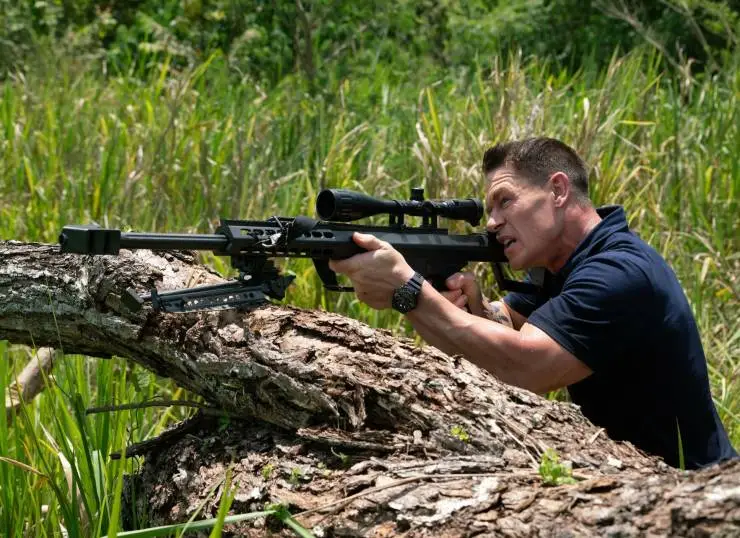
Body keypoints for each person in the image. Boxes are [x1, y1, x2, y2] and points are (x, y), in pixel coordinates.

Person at [328, 137, 737, 470]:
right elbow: (506, 326)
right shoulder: (561, 266)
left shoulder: (618, 271)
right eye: (490, 208)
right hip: (633, 477)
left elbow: (525, 367)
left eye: (505, 201)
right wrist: (470, 308)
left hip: (693, 489)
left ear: (557, 190)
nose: (491, 222)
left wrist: (408, 291)